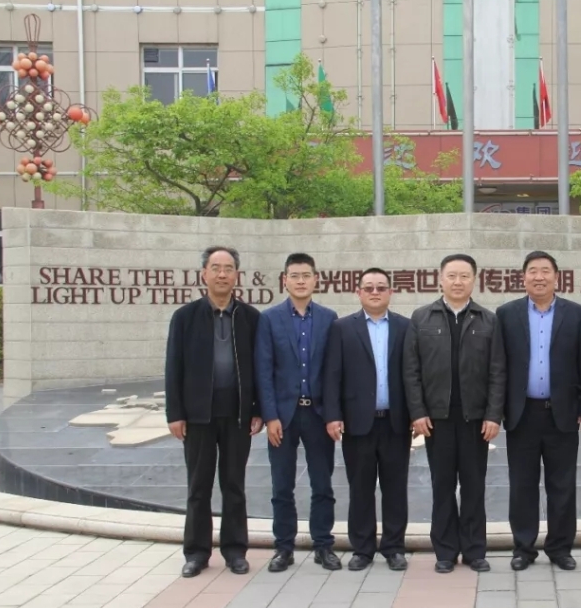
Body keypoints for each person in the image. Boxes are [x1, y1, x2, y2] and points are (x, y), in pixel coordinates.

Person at [404, 253, 506, 573]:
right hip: (438, 420)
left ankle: (475, 550)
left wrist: (494, 415)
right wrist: (418, 412)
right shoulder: (422, 318)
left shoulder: (488, 320)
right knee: (442, 485)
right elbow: (411, 370)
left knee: (474, 486)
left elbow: (498, 371)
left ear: (475, 280)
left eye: (464, 276)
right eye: (452, 276)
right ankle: (445, 551)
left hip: (476, 420)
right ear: (440, 279)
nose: (458, 282)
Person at [165, 246, 262, 578]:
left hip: (237, 416)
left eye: (228, 268)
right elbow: (173, 367)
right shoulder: (185, 317)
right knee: (198, 487)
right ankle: (196, 552)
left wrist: (257, 409)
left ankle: (235, 551)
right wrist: (175, 413)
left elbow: (260, 368)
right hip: (197, 417)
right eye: (216, 268)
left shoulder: (250, 318)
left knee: (234, 485)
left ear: (237, 275)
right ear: (204, 274)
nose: (222, 274)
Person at [496, 251, 581, 571]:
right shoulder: (506, 314)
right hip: (522, 414)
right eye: (532, 271)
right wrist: (497, 410)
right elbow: (498, 365)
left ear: (556, 276)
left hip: (561, 413)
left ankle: (560, 548)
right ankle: (523, 549)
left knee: (562, 485)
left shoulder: (577, 314)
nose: (539, 277)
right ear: (523, 277)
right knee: (522, 485)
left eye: (545, 271)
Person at [255, 253, 340, 573]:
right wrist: (270, 416)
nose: (301, 281)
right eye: (294, 275)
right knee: (282, 486)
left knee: (323, 485)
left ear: (316, 279)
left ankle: (323, 545)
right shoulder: (269, 319)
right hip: (283, 417)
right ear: (285, 280)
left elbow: (333, 372)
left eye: (306, 275)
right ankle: (284, 548)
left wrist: (332, 415)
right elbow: (263, 371)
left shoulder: (329, 318)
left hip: (317, 415)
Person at [324, 268, 412, 572]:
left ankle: (394, 547)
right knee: (360, 487)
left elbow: (413, 374)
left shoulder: (405, 326)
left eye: (381, 287)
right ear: (358, 292)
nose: (375, 292)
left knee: (395, 488)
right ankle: (362, 548)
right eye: (369, 287)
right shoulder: (342, 328)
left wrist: (416, 413)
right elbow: (332, 374)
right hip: (357, 422)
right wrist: (333, 415)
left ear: (390, 292)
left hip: (396, 422)